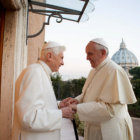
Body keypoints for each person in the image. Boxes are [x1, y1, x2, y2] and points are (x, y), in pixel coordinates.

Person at [60, 38, 137, 140]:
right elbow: (87, 93)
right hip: (94, 127)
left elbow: (110, 109)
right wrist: (77, 100)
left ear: (103, 52)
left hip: (110, 129)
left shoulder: (114, 71)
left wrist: (76, 107)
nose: (87, 58)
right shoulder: (94, 70)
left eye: (90, 54)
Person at [12, 41, 75, 140]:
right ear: (49, 56)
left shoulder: (41, 72)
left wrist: (58, 106)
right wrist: (61, 113)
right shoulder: (35, 73)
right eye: (61, 58)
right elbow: (29, 118)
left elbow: (39, 105)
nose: (63, 63)